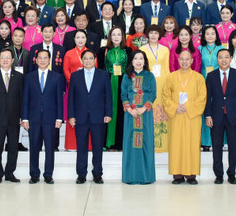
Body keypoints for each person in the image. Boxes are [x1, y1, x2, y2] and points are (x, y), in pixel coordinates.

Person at [67, 49, 112, 184]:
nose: (88, 61)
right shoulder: (75, 76)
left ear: (95, 59)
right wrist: (71, 116)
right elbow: (71, 98)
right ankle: (81, 174)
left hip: (98, 117)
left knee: (98, 147)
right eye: (85, 59)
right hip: (80, 117)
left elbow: (108, 96)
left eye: (90, 58)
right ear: (82, 61)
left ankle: (97, 174)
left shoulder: (103, 75)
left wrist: (108, 113)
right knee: (81, 147)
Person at [163, 50, 206, 184]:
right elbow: (165, 96)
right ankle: (178, 175)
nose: (184, 62)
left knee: (191, 143)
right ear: (178, 60)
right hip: (176, 115)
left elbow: (202, 97)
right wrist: (175, 106)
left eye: (187, 59)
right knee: (177, 144)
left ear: (192, 61)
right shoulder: (171, 77)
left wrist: (187, 106)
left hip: (191, 116)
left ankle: (191, 175)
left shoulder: (199, 78)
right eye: (182, 59)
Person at [205, 48, 236, 184]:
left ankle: (232, 174)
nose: (224, 60)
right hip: (216, 116)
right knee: (216, 147)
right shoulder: (211, 76)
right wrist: (208, 116)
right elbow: (207, 98)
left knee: (233, 147)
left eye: (226, 57)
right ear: (217, 59)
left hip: (234, 116)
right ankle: (218, 175)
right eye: (221, 57)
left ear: (230, 59)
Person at [21, 49, 64, 184]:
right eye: (40, 58)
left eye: (45, 58)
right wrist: (25, 118)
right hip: (33, 119)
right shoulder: (28, 77)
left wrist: (59, 118)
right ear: (36, 60)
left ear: (49, 60)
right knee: (34, 147)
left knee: (50, 148)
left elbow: (59, 99)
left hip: (50, 118)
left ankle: (48, 174)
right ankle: (34, 174)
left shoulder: (56, 77)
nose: (43, 60)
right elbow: (25, 99)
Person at [0, 47, 24, 183]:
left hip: (14, 118)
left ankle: (10, 173)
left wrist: (22, 116)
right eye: (3, 58)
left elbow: (22, 98)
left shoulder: (19, 76)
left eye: (8, 57)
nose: (6, 60)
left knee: (13, 148)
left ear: (13, 60)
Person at [120, 50, 156, 184]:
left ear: (145, 61)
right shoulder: (127, 76)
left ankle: (146, 177)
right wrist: (129, 109)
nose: (138, 61)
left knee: (145, 143)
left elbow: (153, 94)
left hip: (145, 114)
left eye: (141, 58)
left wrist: (143, 108)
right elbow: (123, 94)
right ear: (132, 61)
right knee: (130, 144)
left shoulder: (150, 76)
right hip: (130, 116)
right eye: (136, 58)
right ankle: (130, 176)